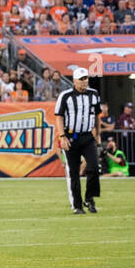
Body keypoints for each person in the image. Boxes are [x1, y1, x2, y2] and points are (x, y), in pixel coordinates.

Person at [54, 66, 102, 214]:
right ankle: (77, 205)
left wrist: (98, 134)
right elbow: (59, 116)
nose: (84, 81)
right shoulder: (66, 96)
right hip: (71, 137)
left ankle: (89, 198)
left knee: (93, 168)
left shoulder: (94, 94)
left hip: (87, 136)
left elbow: (97, 115)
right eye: (81, 79)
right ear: (74, 81)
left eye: (86, 78)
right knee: (74, 172)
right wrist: (62, 136)